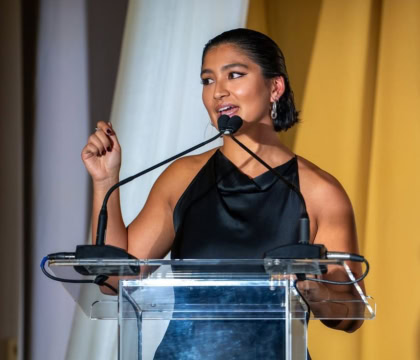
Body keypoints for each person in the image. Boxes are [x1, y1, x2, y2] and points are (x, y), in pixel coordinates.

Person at [82, 28, 365, 358]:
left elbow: (351, 313)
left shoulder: (318, 191)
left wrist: (315, 292)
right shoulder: (182, 178)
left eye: (234, 75)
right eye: (208, 80)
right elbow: (114, 279)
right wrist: (105, 181)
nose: (218, 92)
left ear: (275, 87)